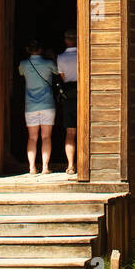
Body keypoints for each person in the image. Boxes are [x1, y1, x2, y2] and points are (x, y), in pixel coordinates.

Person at [18, 38, 56, 175]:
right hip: (47, 104)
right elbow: (58, 72)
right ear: (41, 50)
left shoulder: (23, 64)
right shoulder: (49, 63)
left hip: (30, 106)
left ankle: (32, 167)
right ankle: (45, 167)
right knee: (46, 137)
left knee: (32, 137)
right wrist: (52, 57)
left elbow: (21, 74)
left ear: (28, 50)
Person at [56, 29, 78, 177]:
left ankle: (70, 165)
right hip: (82, 92)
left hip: (69, 95)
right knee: (86, 130)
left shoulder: (61, 57)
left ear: (65, 40)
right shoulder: (81, 55)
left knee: (70, 132)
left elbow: (62, 78)